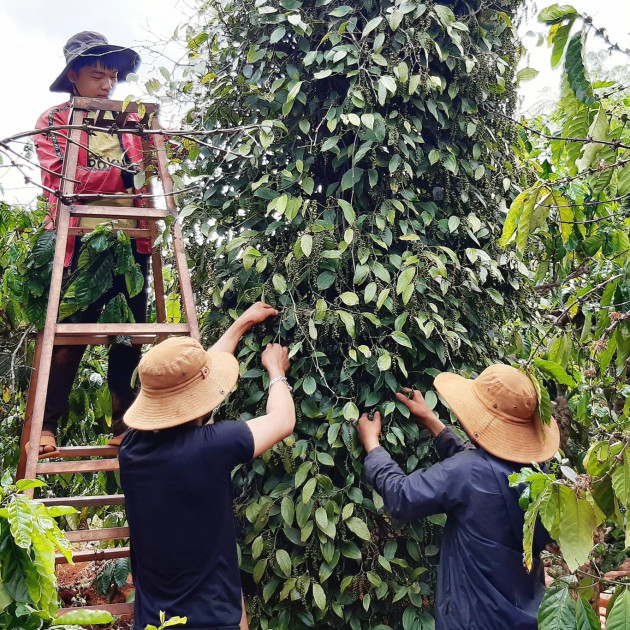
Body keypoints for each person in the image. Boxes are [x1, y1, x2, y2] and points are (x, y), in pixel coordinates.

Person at [118, 302, 296, 630]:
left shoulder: (131, 449)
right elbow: (283, 420)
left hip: (154, 621)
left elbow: (191, 383)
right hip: (213, 620)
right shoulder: (214, 445)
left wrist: (240, 323)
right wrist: (276, 371)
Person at [356, 364, 560, 630]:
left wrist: (373, 445)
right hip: (524, 616)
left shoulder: (469, 472)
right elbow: (488, 472)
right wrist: (433, 423)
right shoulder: (538, 475)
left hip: (473, 621)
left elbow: (402, 496)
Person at [32, 32, 149, 457]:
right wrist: (125, 176)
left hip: (132, 241)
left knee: (129, 338)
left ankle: (126, 425)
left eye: (112, 77)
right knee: (68, 338)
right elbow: (63, 183)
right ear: (73, 76)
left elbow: (155, 166)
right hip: (80, 241)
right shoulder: (54, 121)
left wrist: (151, 161)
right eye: (97, 75)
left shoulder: (131, 122)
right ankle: (45, 426)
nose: (107, 85)